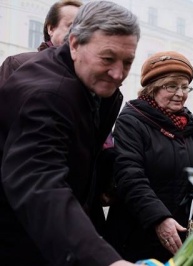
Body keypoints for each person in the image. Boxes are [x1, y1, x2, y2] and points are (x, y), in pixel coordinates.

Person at [0, 1, 142, 265]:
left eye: (128, 62)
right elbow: (40, 183)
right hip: (24, 239)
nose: (118, 74)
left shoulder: (92, 84)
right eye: (108, 58)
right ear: (74, 44)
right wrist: (107, 260)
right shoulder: (48, 95)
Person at [104, 51, 193, 263]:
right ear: (152, 88)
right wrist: (159, 218)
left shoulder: (192, 126)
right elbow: (129, 175)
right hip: (137, 235)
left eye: (185, 86)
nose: (181, 93)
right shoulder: (132, 120)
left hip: (181, 238)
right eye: (172, 86)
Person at [0, 0, 82, 88]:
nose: (77, 33)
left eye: (83, 29)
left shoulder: (86, 75)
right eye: (71, 27)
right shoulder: (17, 64)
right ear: (51, 29)